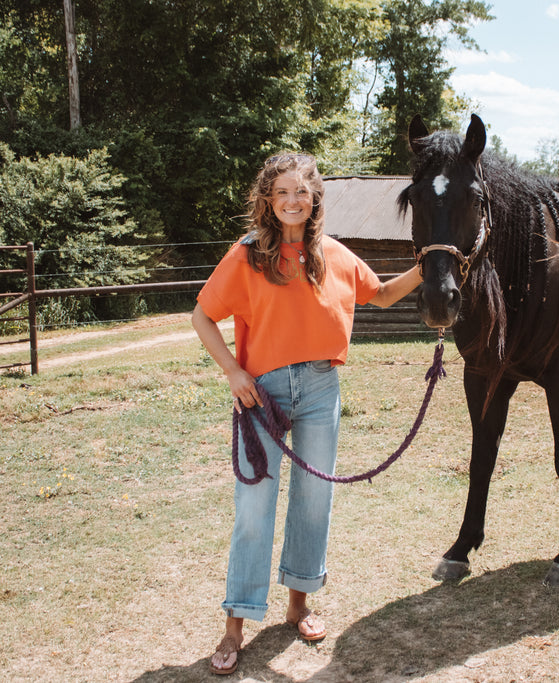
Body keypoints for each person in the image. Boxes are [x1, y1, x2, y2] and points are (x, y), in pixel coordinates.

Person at [192, 152, 422, 675]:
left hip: (321, 389)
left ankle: (298, 604)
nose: (292, 200)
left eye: (301, 191)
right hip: (262, 393)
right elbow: (202, 316)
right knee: (254, 508)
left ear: (315, 197)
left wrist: (429, 264)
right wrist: (232, 371)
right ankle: (236, 622)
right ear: (268, 200)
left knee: (314, 502)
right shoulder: (247, 255)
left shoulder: (332, 254)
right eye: (282, 192)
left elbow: (384, 295)